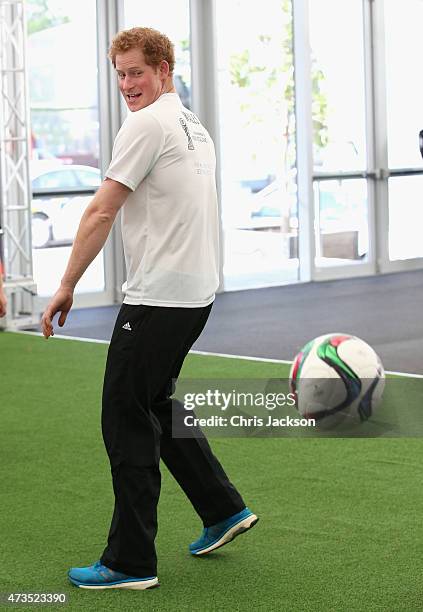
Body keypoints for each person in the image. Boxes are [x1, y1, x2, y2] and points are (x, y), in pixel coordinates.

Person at [41, 27, 258, 591]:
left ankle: (130, 562)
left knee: (124, 418)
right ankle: (223, 510)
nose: (126, 84)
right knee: (154, 403)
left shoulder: (148, 123)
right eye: (119, 73)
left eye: (136, 71)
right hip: (193, 295)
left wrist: (66, 284)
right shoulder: (192, 124)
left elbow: (100, 212)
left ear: (164, 69)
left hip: (158, 298)